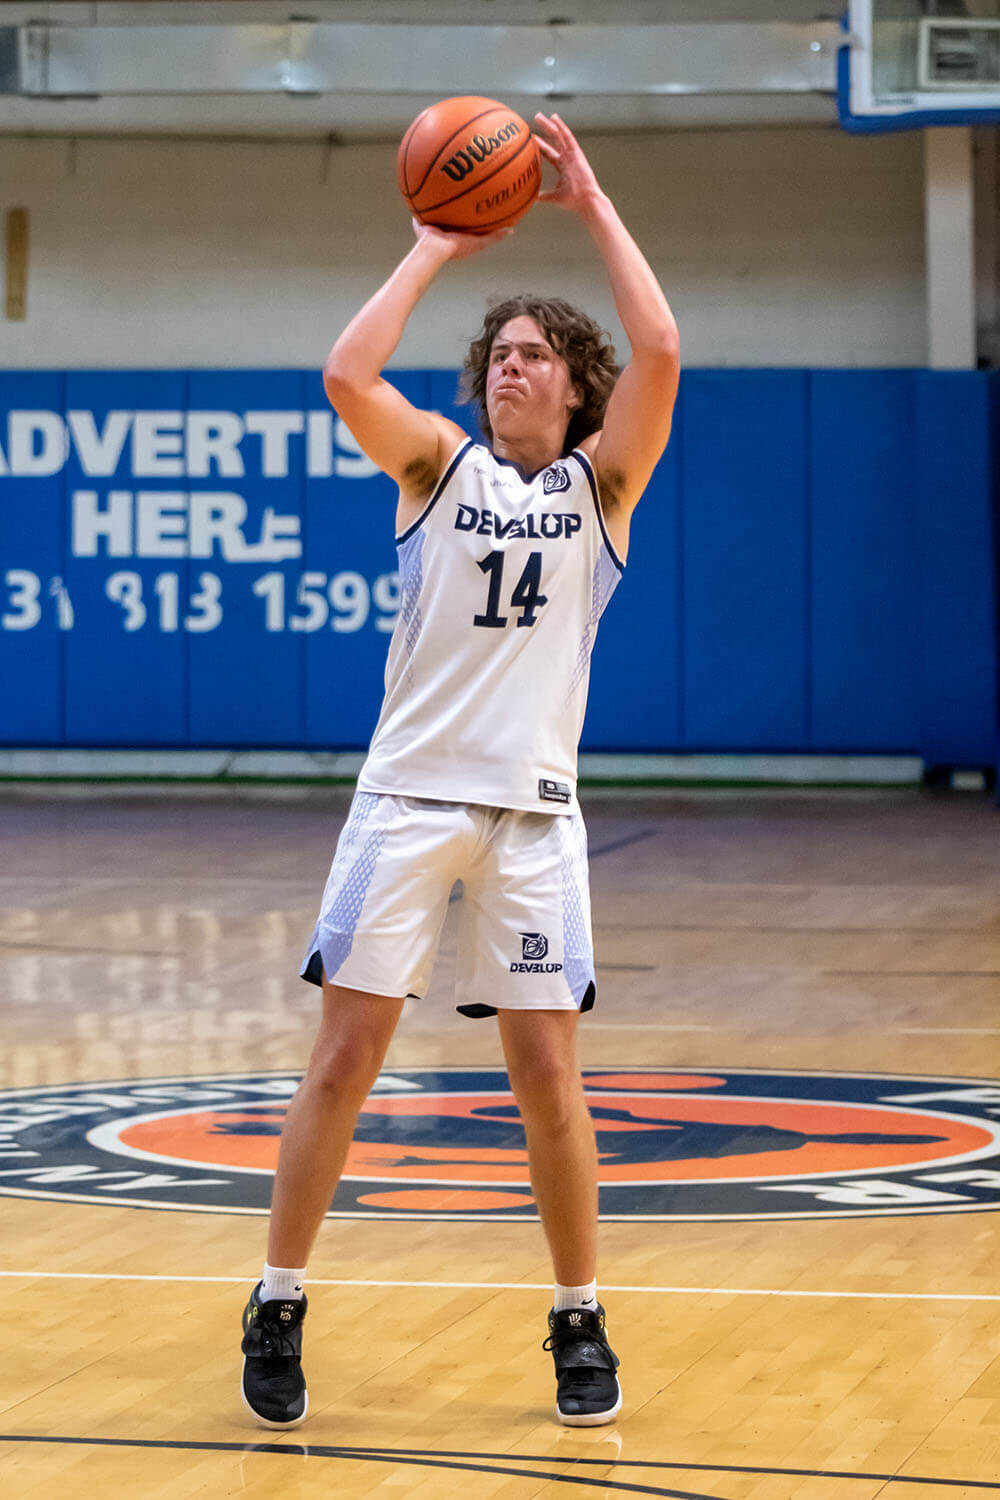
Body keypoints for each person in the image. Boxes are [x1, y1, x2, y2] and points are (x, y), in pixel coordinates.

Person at [239, 112, 680, 1431]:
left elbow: (662, 349)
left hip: (535, 819)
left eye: (535, 355)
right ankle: (277, 1298)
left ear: (575, 388)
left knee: (550, 1080)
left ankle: (578, 1316)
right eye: (499, 354)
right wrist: (435, 243)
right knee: (345, 1058)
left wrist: (593, 204)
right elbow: (345, 372)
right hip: (409, 797)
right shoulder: (437, 464)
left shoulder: (601, 492)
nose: (510, 368)